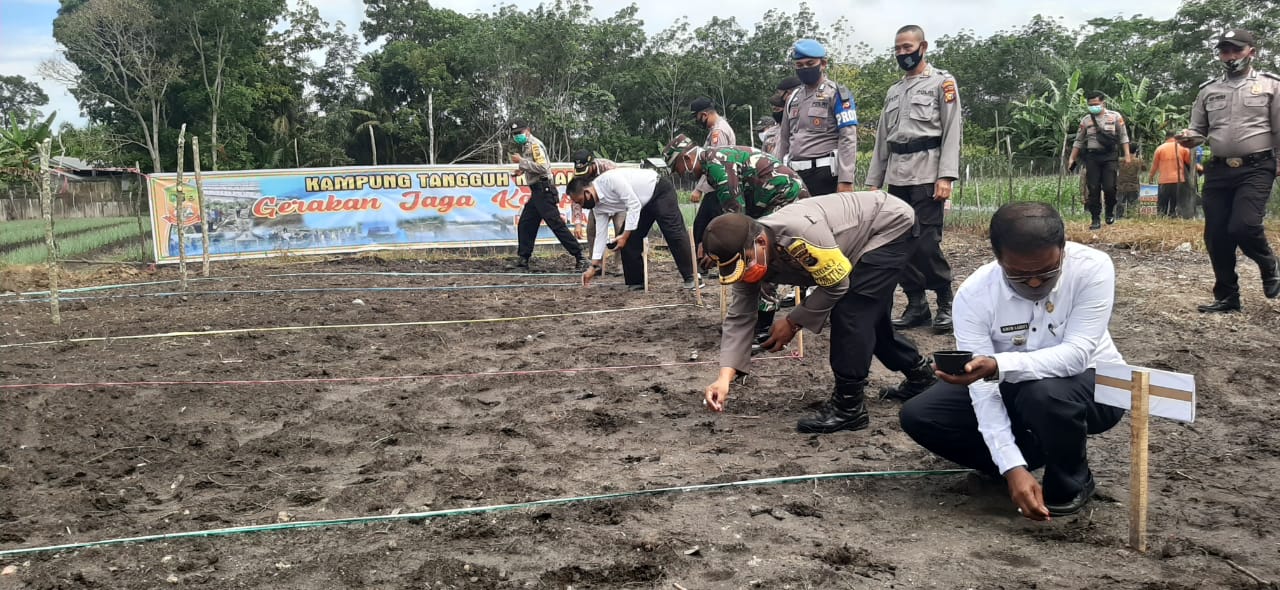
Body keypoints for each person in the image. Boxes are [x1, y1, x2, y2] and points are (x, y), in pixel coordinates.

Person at [899, 202, 1125, 520]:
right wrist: (1011, 466)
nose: (1034, 283)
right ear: (997, 257)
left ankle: (1073, 477)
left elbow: (1077, 355)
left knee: (1042, 393)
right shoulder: (975, 296)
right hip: (1014, 386)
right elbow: (983, 391)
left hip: (1099, 385)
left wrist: (998, 366)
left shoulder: (1093, 268)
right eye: (1019, 274)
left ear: (1063, 249)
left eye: (1047, 272)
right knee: (920, 415)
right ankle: (1029, 460)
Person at [700, 192, 937, 434]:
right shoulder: (746, 255)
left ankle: (848, 408)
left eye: (746, 262)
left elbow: (837, 285)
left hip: (888, 227)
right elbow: (740, 317)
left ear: (761, 242)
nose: (744, 272)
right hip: (855, 242)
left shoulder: (799, 236)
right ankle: (921, 376)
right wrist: (724, 378)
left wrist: (793, 321)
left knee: (852, 312)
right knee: (870, 319)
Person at [665, 134, 811, 341]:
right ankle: (753, 317)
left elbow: (737, 220)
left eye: (677, 168)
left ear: (686, 159)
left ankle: (763, 325)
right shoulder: (712, 162)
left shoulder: (717, 167)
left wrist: (718, 252)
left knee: (759, 253)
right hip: (769, 201)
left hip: (785, 197)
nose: (680, 174)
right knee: (751, 251)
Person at [866, 25, 962, 335]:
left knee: (924, 243)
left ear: (923, 46)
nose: (902, 54)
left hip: (927, 173)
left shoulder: (942, 83)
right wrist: (873, 182)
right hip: (897, 176)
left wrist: (946, 175)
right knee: (896, 243)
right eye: (898, 49)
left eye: (908, 47)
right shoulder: (894, 91)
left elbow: (952, 130)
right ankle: (916, 304)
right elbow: (883, 139)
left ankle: (945, 302)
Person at [1177, 29, 1280, 313]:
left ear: (1251, 52)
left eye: (1236, 50)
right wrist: (1189, 137)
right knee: (1216, 234)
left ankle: (1269, 263)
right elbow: (1199, 130)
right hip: (1219, 170)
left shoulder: (1272, 86)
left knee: (1244, 226)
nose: (1230, 56)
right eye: (1225, 51)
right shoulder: (1209, 90)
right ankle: (1227, 296)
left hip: (1257, 167)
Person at [568, 168, 697, 290]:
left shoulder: (610, 180)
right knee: (629, 241)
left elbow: (633, 205)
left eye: (580, 201)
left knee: (673, 233)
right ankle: (636, 282)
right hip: (642, 203)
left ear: (587, 192)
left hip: (659, 191)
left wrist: (624, 236)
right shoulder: (597, 207)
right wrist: (593, 266)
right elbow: (601, 234)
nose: (582, 206)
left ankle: (693, 276)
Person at [776, 39, 858, 195]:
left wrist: (846, 179)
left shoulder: (836, 93)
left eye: (810, 63)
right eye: (799, 65)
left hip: (825, 174)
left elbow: (848, 137)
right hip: (796, 175)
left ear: (823, 64)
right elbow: (785, 139)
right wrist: (779, 174)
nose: (804, 68)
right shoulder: (793, 97)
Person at [507, 120, 587, 271]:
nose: (517, 136)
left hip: (544, 190)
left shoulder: (535, 145)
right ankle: (523, 259)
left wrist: (522, 162)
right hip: (537, 191)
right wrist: (521, 170)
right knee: (526, 223)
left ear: (528, 130)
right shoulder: (527, 146)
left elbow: (543, 168)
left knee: (556, 224)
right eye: (515, 134)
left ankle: (580, 256)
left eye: (519, 133)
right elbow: (534, 165)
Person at [1067, 92, 1133, 230]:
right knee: (1093, 188)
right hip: (1092, 157)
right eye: (1090, 105)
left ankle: (1109, 212)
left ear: (1103, 103)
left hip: (1110, 156)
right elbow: (1078, 141)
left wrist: (1127, 155)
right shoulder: (1085, 120)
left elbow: (1123, 136)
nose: (1093, 107)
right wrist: (1072, 158)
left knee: (1109, 187)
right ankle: (1095, 218)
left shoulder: (1115, 117)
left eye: (1096, 104)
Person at [570, 149, 623, 268]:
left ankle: (620, 264)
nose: (583, 174)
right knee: (591, 230)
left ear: (592, 164)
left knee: (620, 229)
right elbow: (576, 197)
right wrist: (577, 222)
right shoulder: (578, 175)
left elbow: (623, 188)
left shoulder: (610, 168)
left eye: (585, 170)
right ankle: (596, 264)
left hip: (618, 202)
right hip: (598, 204)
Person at [1149, 133, 1194, 217]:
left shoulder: (1160, 148)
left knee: (1162, 203)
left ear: (1166, 137)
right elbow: (1189, 162)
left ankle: (1161, 216)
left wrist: (1151, 177)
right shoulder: (1182, 148)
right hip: (1178, 180)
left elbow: (1154, 166)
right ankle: (1172, 216)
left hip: (1164, 180)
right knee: (1174, 201)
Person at [1116, 146, 1145, 219]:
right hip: (1133, 186)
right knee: (1132, 205)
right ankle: (1131, 218)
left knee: (1120, 204)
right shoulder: (1138, 161)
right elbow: (1144, 169)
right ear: (1135, 152)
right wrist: (1140, 158)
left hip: (1121, 186)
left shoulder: (1120, 160)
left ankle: (1119, 218)